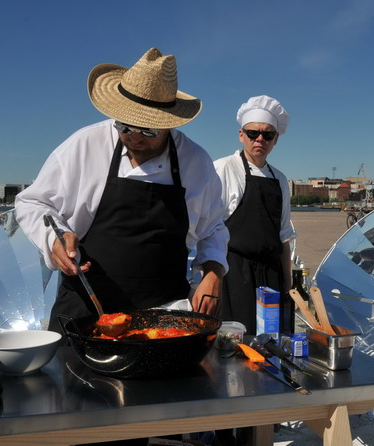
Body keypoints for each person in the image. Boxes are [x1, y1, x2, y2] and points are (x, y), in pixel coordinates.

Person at [15, 48, 228, 336]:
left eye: (148, 130)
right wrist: (53, 241)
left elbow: (213, 226)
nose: (135, 137)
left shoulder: (196, 162)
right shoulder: (84, 145)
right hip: (85, 309)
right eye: (124, 126)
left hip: (163, 317)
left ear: (170, 123)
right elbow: (33, 203)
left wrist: (213, 272)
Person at [214, 95, 296, 335]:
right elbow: (209, 230)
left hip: (271, 274)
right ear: (242, 135)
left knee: (271, 338)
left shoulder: (279, 178)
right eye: (253, 133)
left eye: (267, 134)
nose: (260, 139)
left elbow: (283, 236)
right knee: (237, 340)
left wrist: (287, 284)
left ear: (275, 139)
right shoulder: (223, 168)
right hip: (233, 273)